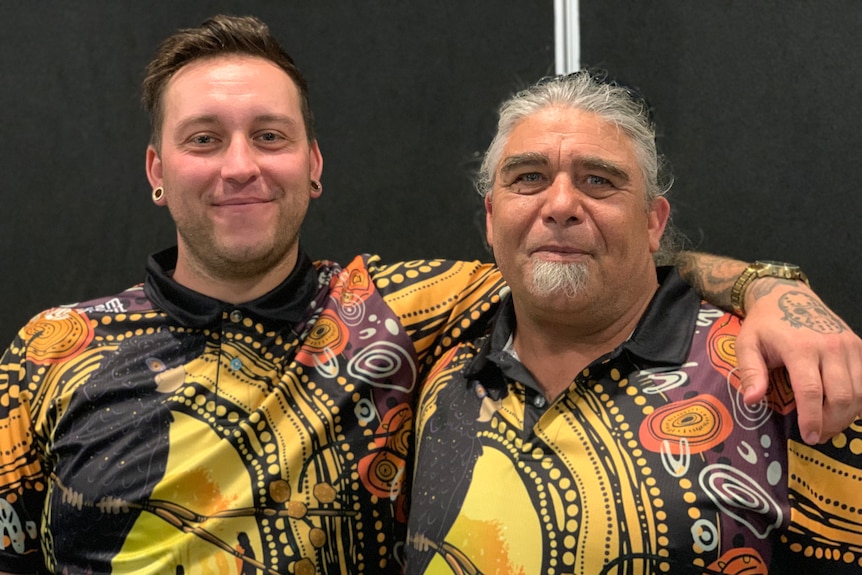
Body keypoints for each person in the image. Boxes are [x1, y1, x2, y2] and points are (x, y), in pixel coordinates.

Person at [0, 14, 858, 575]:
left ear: (313, 164)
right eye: (203, 139)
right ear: (157, 170)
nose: (239, 165)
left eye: (270, 135)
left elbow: (591, 259)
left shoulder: (397, 308)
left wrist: (771, 288)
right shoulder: (51, 348)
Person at [405, 71, 862, 574]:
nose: (559, 206)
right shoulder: (438, 375)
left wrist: (773, 288)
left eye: (598, 181)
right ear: (492, 218)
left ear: (653, 223)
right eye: (528, 177)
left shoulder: (780, 374)